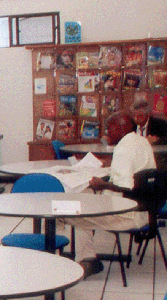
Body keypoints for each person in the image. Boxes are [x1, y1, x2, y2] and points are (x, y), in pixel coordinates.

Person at [62, 112, 156, 278]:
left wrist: (102, 183)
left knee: (75, 214)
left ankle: (88, 260)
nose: (105, 133)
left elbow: (125, 186)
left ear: (121, 128)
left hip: (128, 215)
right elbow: (136, 175)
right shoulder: (142, 141)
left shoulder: (123, 149)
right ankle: (87, 256)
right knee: (87, 195)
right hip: (146, 211)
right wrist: (111, 167)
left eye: (109, 128)